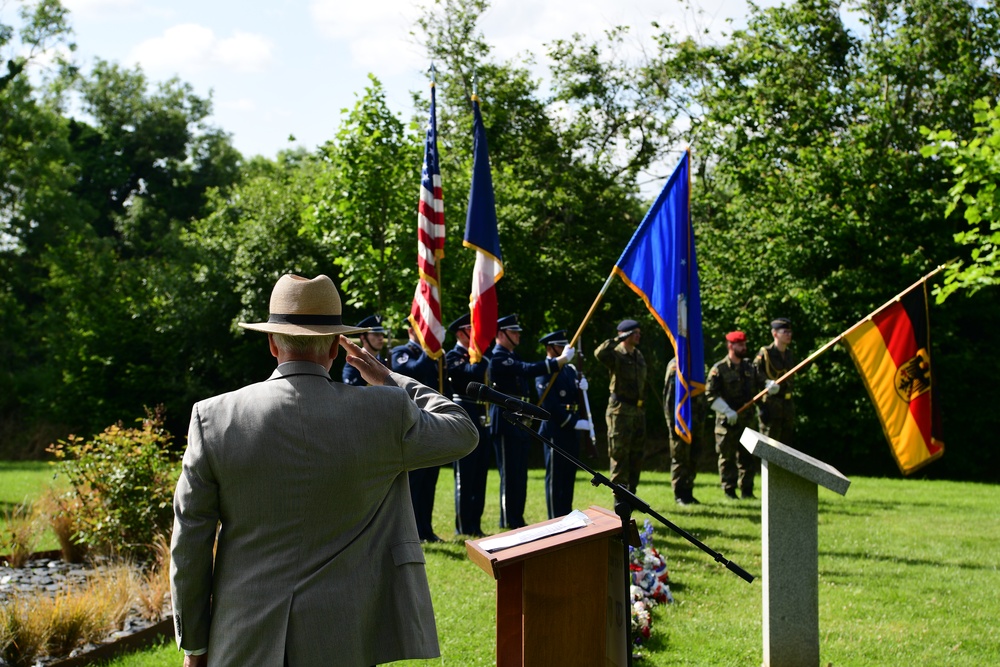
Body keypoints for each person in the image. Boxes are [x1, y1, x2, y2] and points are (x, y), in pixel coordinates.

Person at [170, 274, 478, 667]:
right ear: (336, 346)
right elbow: (462, 430)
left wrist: (195, 645)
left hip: (242, 635)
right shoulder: (384, 411)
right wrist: (390, 378)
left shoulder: (213, 418)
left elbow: (190, 543)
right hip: (344, 635)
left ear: (271, 343)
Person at [489, 314, 574, 528]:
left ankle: (517, 518)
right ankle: (509, 519)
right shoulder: (499, 356)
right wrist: (557, 362)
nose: (518, 335)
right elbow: (526, 370)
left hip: (519, 419)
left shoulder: (513, 355)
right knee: (510, 475)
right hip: (506, 418)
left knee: (520, 474)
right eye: (513, 331)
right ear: (501, 334)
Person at [391, 324, 446, 543]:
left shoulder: (434, 356)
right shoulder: (401, 352)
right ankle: (411, 532)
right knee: (414, 482)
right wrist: (429, 350)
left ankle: (426, 529)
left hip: (432, 421)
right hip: (413, 423)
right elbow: (410, 372)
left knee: (429, 480)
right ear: (411, 331)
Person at [705, 330, 772, 500]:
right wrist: (726, 410)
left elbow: (761, 381)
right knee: (727, 457)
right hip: (727, 420)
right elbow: (710, 394)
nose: (744, 347)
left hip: (747, 419)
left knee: (748, 457)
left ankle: (747, 490)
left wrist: (769, 385)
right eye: (740, 345)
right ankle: (729, 490)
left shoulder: (750, 366)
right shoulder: (719, 369)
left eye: (744, 344)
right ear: (730, 346)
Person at [445, 313, 492, 537]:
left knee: (480, 473)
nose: (474, 334)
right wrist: (480, 355)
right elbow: (472, 374)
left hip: (482, 415)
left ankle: (476, 523)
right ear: (460, 333)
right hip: (464, 414)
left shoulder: (475, 355)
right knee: (465, 474)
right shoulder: (452, 356)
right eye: (469, 330)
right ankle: (463, 525)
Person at [535, 330, 590, 519]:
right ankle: (554, 518)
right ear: (550, 348)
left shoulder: (569, 369)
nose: (565, 350)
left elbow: (575, 399)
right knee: (555, 480)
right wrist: (573, 422)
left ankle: (566, 516)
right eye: (560, 346)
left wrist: (581, 387)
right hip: (555, 431)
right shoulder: (545, 370)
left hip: (570, 432)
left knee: (568, 477)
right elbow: (549, 405)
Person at [594, 319, 648, 495]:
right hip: (620, 411)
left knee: (636, 455)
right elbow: (599, 353)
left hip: (637, 411)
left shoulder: (638, 355)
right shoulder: (616, 354)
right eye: (635, 333)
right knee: (619, 455)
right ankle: (619, 496)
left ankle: (632, 494)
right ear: (626, 334)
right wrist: (618, 339)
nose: (639, 335)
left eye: (639, 332)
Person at [663, 356, 706, 505]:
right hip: (680, 421)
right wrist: (672, 424)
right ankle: (680, 494)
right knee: (681, 458)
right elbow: (669, 399)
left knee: (693, 458)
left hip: (696, 422)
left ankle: (688, 492)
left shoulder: (697, 366)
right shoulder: (676, 366)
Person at [753, 317, 796, 446]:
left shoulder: (789, 354)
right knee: (769, 445)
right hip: (771, 405)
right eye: (785, 332)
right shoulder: (766, 353)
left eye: (790, 332)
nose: (789, 335)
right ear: (775, 334)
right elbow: (755, 372)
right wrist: (766, 382)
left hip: (787, 405)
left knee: (786, 445)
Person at [341, 314, 388, 385]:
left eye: (381, 334)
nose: (381, 338)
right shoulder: (354, 362)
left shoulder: (384, 362)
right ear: (363, 338)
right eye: (376, 334)